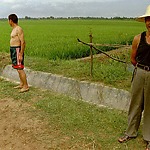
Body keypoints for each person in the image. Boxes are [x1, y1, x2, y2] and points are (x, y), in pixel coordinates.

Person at [118, 5, 150, 150]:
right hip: (139, 72)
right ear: (145, 22)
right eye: (147, 19)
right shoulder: (138, 38)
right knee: (135, 103)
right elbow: (133, 59)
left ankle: (149, 137)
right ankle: (130, 132)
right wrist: (142, 70)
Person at [8, 14, 29, 93]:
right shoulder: (14, 29)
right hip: (13, 50)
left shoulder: (18, 29)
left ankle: (26, 86)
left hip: (17, 50)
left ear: (11, 20)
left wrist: (20, 53)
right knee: (17, 68)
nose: (8, 22)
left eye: (8, 20)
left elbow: (23, 42)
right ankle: (21, 84)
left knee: (20, 68)